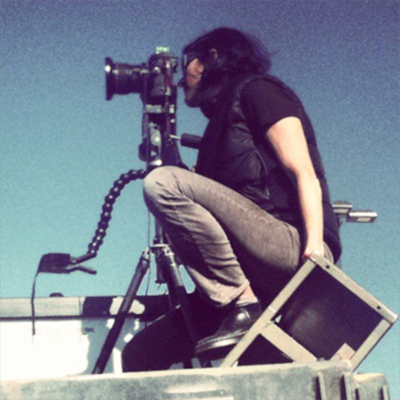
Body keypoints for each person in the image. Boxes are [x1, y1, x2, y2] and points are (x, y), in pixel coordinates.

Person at [122, 27, 341, 371]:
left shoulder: (259, 90)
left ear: (212, 57)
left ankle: (241, 304)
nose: (180, 79)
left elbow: (305, 172)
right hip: (252, 270)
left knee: (162, 184)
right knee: (139, 354)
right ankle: (239, 305)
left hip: (291, 246)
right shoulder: (219, 128)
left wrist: (315, 250)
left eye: (186, 64)